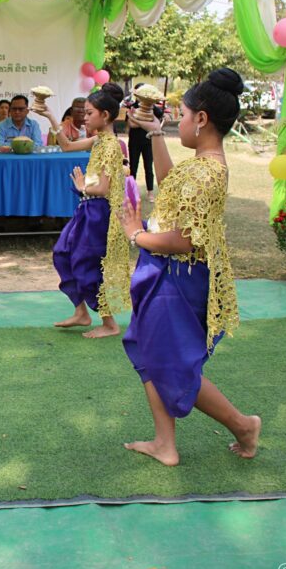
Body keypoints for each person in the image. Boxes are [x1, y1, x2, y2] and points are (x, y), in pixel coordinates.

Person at [116, 68, 259, 467]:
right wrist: (157, 134)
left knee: (172, 362)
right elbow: (169, 183)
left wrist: (135, 234)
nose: (179, 121)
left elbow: (185, 239)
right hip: (166, 272)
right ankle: (165, 442)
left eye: (182, 114)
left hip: (177, 277)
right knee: (148, 354)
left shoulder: (209, 171)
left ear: (201, 119)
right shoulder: (200, 165)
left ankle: (243, 425)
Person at [39, 83, 131, 338]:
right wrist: (50, 116)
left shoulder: (112, 146)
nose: (85, 117)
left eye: (90, 113)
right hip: (87, 209)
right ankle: (81, 312)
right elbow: (67, 145)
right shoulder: (99, 140)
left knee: (86, 264)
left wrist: (82, 187)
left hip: (99, 212)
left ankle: (109, 323)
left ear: (105, 115)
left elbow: (103, 188)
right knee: (62, 253)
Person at [127, 84, 163, 202]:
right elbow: (131, 125)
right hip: (134, 142)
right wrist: (147, 123)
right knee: (133, 167)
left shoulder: (153, 109)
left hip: (148, 142)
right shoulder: (133, 107)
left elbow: (159, 122)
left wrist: (137, 120)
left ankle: (150, 193)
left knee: (148, 167)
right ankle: (131, 192)